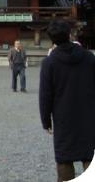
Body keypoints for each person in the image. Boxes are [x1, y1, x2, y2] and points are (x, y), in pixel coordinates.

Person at [39, 19, 95, 182]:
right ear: (70, 35)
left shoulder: (49, 63)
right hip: (89, 114)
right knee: (90, 155)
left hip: (63, 117)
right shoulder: (89, 58)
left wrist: (46, 121)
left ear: (52, 39)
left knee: (64, 158)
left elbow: (45, 95)